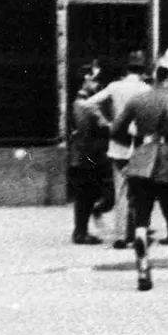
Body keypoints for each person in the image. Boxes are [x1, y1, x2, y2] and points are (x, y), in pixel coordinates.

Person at [111, 60, 168, 291]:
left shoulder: (137, 100)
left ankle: (142, 257)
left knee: (141, 215)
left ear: (152, 77)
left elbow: (116, 129)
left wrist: (133, 145)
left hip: (141, 161)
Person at [86, 50, 150, 248]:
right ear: (142, 70)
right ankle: (137, 233)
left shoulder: (115, 86)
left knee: (120, 190)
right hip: (139, 143)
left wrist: (106, 122)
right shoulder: (146, 89)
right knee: (139, 192)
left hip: (118, 143)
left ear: (127, 68)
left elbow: (88, 104)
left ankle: (120, 236)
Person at [66, 70, 108, 245]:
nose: (96, 83)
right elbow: (100, 127)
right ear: (84, 83)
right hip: (88, 156)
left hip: (81, 155)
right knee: (86, 195)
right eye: (93, 79)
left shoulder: (77, 103)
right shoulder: (86, 105)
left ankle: (81, 231)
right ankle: (81, 232)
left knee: (85, 195)